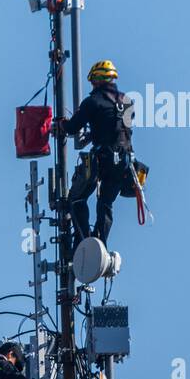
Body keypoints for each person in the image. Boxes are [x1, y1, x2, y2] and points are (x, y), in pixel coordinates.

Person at [64, 60, 138, 246]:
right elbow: (117, 128)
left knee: (77, 198)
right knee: (105, 204)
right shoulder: (127, 102)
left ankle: (83, 241)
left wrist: (61, 124)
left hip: (102, 159)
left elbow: (72, 128)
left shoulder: (93, 102)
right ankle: (100, 245)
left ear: (96, 80)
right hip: (125, 162)